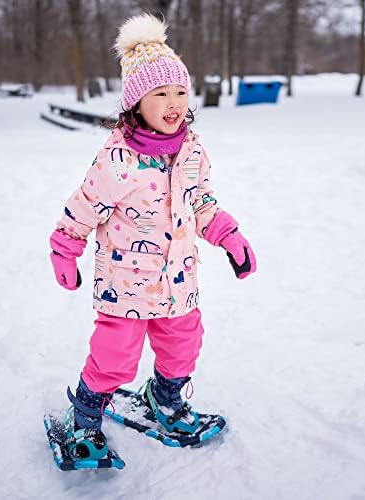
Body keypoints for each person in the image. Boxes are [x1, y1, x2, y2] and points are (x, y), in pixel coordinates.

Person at [49, 13, 256, 461]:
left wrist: (229, 236)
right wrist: (66, 247)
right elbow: (85, 204)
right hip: (125, 282)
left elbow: (201, 203)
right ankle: (82, 420)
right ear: (136, 103)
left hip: (177, 282)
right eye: (160, 93)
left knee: (184, 343)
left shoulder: (193, 151)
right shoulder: (118, 159)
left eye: (180, 91)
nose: (173, 102)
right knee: (114, 355)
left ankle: (164, 399)